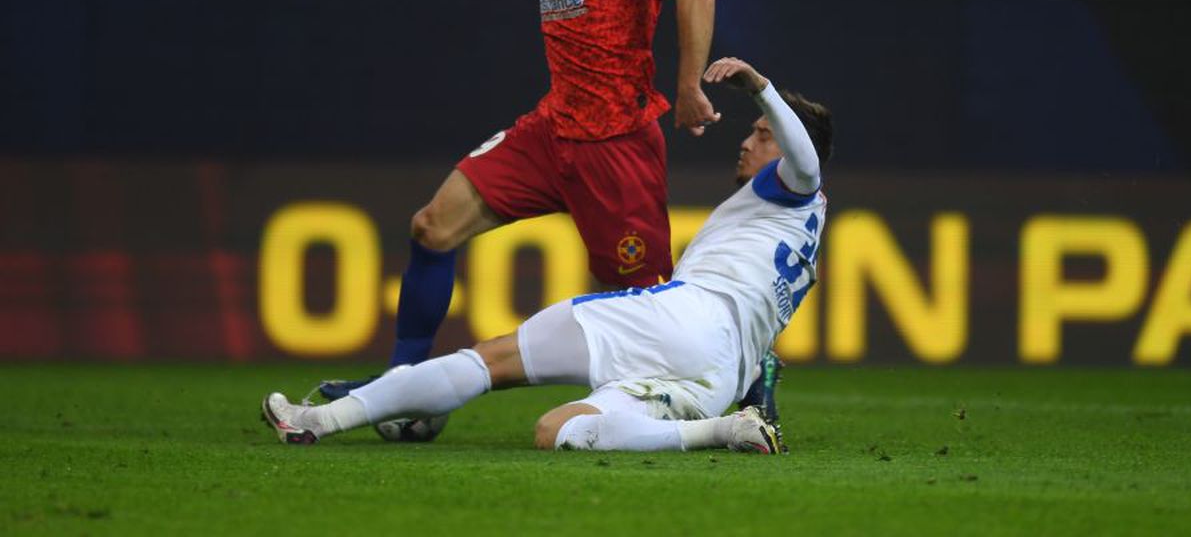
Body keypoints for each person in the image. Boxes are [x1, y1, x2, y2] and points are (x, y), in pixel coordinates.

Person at [316, 0, 722, 428]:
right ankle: (404, 387)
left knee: (646, 313)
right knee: (432, 228)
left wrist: (689, 86)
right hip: (550, 131)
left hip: (615, 148)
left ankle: (736, 391)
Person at [264, 56, 833, 453]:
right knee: (559, 431)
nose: (748, 139)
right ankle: (721, 432)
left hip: (679, 321)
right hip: (718, 378)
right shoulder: (802, 230)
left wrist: (763, 89)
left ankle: (317, 419)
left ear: (783, 142)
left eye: (762, 134)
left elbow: (805, 163)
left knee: (489, 361)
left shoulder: (792, 184)